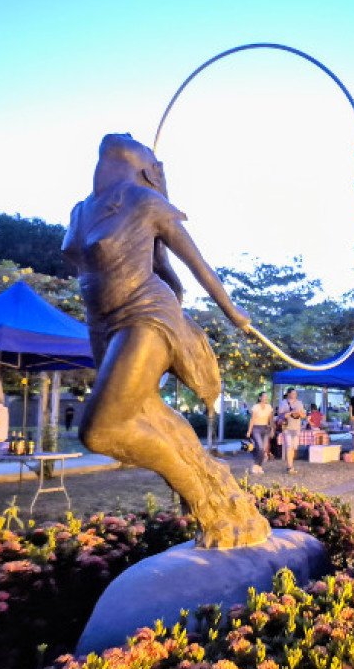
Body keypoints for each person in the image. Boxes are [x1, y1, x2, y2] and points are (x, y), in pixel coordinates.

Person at [62, 132, 269, 549]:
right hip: (102, 324)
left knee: (98, 430)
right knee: (147, 412)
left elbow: (198, 265)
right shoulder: (81, 210)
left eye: (139, 140)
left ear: (147, 166)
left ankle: (201, 496)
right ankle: (218, 492)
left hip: (146, 315)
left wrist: (232, 311)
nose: (131, 135)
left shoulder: (145, 202)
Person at [277, 389, 306, 474]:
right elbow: (281, 415)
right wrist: (291, 413)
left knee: (294, 447)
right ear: (288, 394)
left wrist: (300, 414)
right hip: (287, 427)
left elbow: (304, 415)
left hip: (296, 427)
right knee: (289, 446)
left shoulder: (299, 403)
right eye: (293, 393)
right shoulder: (283, 403)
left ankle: (291, 464)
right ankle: (290, 466)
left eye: (295, 393)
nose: (295, 395)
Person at [245, 392, 273, 474]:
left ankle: (259, 466)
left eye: (267, 396)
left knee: (263, 449)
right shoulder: (255, 407)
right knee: (260, 447)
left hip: (266, 428)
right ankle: (255, 465)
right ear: (260, 398)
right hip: (256, 428)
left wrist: (272, 430)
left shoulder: (269, 407)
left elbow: (270, 419)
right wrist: (249, 431)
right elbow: (252, 419)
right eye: (264, 396)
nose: (266, 398)